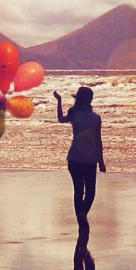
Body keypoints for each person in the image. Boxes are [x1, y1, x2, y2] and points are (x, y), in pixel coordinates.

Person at [54, 85, 105, 236]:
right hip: (89, 159)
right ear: (90, 100)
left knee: (78, 190)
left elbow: (60, 119)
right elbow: (98, 141)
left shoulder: (74, 114)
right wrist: (101, 161)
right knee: (90, 192)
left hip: (74, 158)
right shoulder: (95, 118)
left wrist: (59, 101)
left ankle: (80, 220)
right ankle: (83, 214)